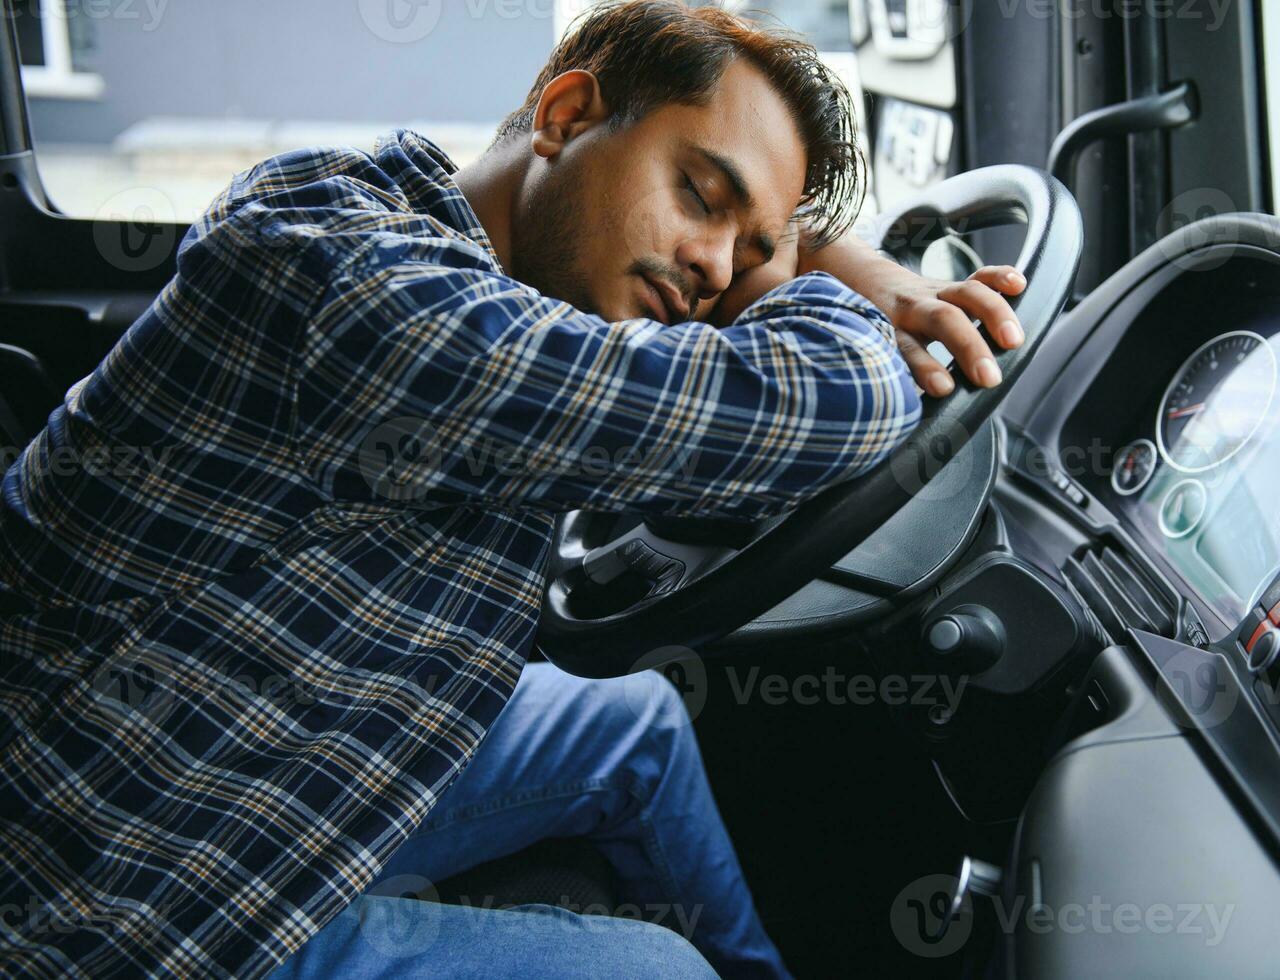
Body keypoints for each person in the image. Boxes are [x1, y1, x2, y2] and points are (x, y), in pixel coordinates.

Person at [0, 2, 1027, 977]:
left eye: (747, 252)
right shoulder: (353, 281)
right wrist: (852, 286)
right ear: (565, 116)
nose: (714, 270)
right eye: (698, 196)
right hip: (107, 885)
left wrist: (869, 273)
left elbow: (720, 301)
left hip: (236, 733)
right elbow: (838, 398)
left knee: (635, 721)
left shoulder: (492, 275)